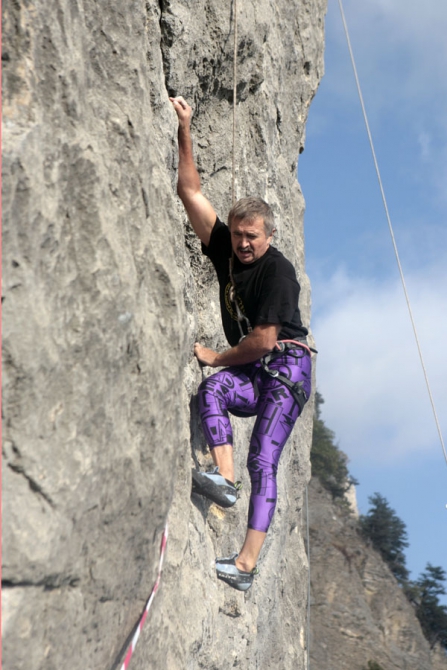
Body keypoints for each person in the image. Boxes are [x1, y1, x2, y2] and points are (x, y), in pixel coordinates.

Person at [170, 96, 313, 592]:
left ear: (269, 235)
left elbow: (263, 339)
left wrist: (216, 356)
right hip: (258, 372)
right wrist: (184, 125)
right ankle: (224, 482)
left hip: (287, 370)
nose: (243, 244)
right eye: (237, 235)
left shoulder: (278, 272)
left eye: (252, 236)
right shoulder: (224, 251)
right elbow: (189, 190)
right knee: (211, 392)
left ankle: (246, 568)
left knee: (264, 458)